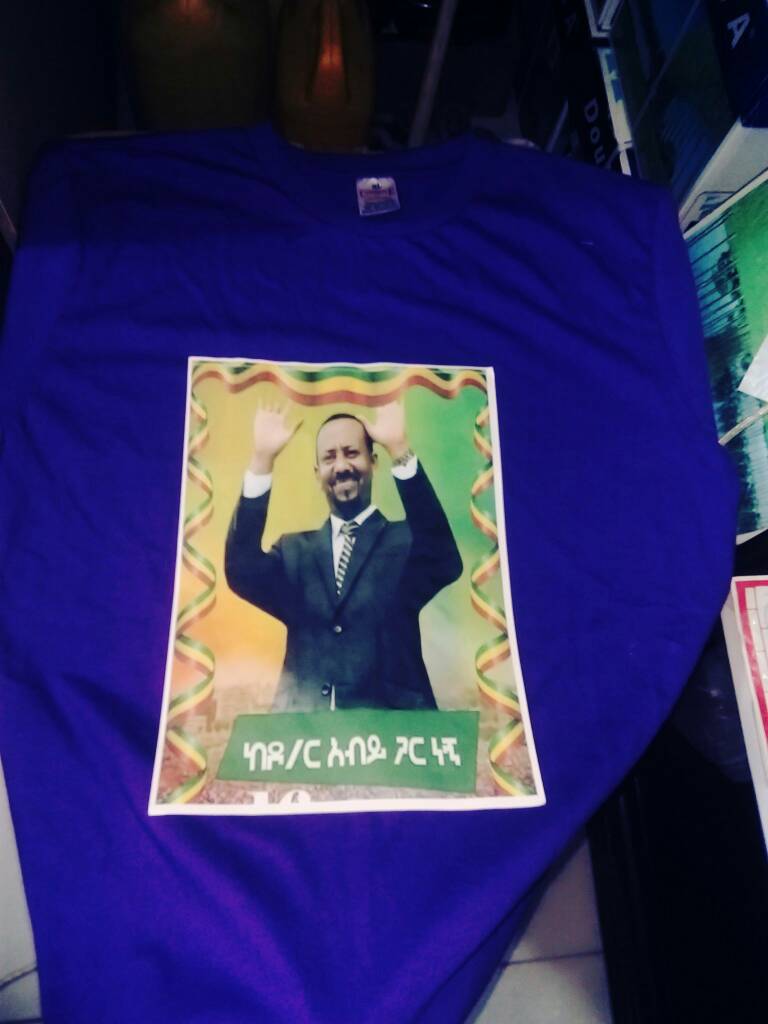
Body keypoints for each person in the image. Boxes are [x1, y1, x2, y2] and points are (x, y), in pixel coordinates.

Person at [224, 400, 463, 711]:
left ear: (373, 462)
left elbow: (444, 559)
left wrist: (399, 448)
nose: (340, 467)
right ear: (317, 473)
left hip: (392, 729)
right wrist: (262, 460)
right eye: (329, 457)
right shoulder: (293, 552)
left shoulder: (407, 541)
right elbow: (241, 570)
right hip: (304, 730)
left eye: (351, 453)